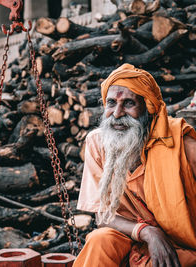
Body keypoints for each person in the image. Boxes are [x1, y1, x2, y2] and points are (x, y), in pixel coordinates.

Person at [73, 63, 196, 267]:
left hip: (181, 244)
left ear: (147, 108)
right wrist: (146, 232)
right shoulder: (97, 143)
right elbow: (103, 216)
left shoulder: (183, 146)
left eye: (129, 103)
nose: (117, 113)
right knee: (98, 240)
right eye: (111, 103)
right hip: (131, 236)